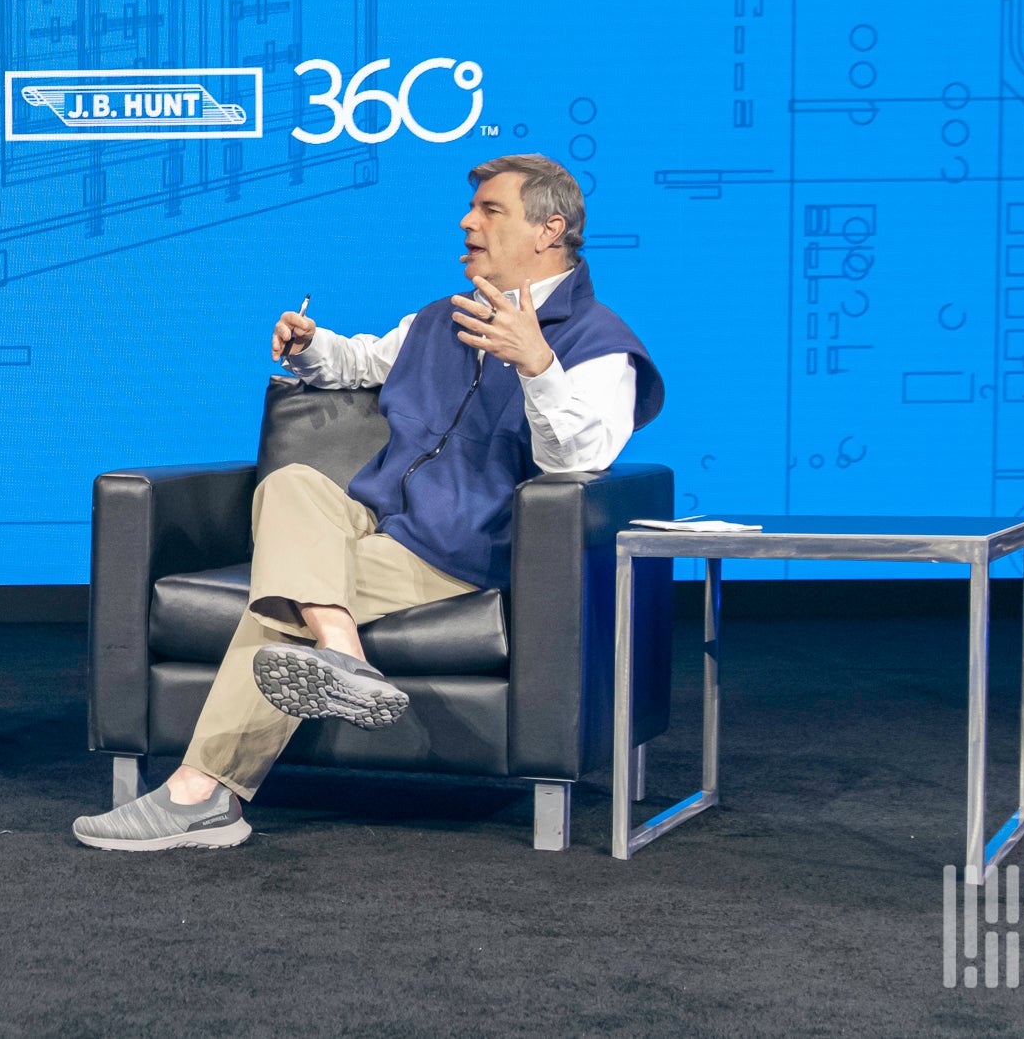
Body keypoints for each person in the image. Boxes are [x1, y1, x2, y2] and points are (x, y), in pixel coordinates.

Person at [73, 154, 663, 851]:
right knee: (290, 483)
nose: (466, 221)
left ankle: (199, 793)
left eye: (489, 210)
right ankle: (342, 649)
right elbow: (361, 362)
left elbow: (578, 463)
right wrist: (309, 346)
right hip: (374, 515)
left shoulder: (601, 345)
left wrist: (536, 363)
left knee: (284, 596)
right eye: (471, 207)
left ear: (549, 229)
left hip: (459, 547)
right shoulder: (442, 318)